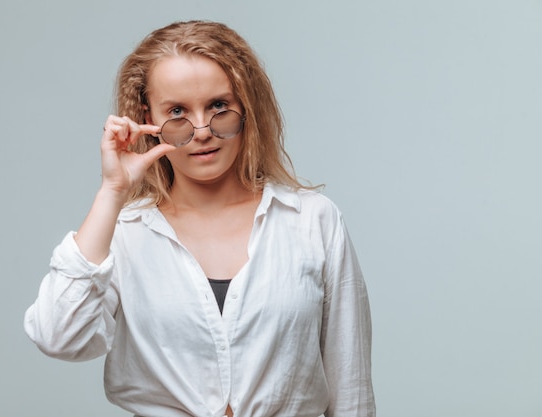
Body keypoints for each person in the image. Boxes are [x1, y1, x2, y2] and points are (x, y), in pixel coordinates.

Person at [24, 20, 375, 417]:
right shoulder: (122, 235)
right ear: (148, 119)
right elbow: (59, 337)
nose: (203, 131)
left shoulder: (312, 221)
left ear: (247, 107)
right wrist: (112, 193)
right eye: (177, 112)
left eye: (219, 107)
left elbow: (351, 391)